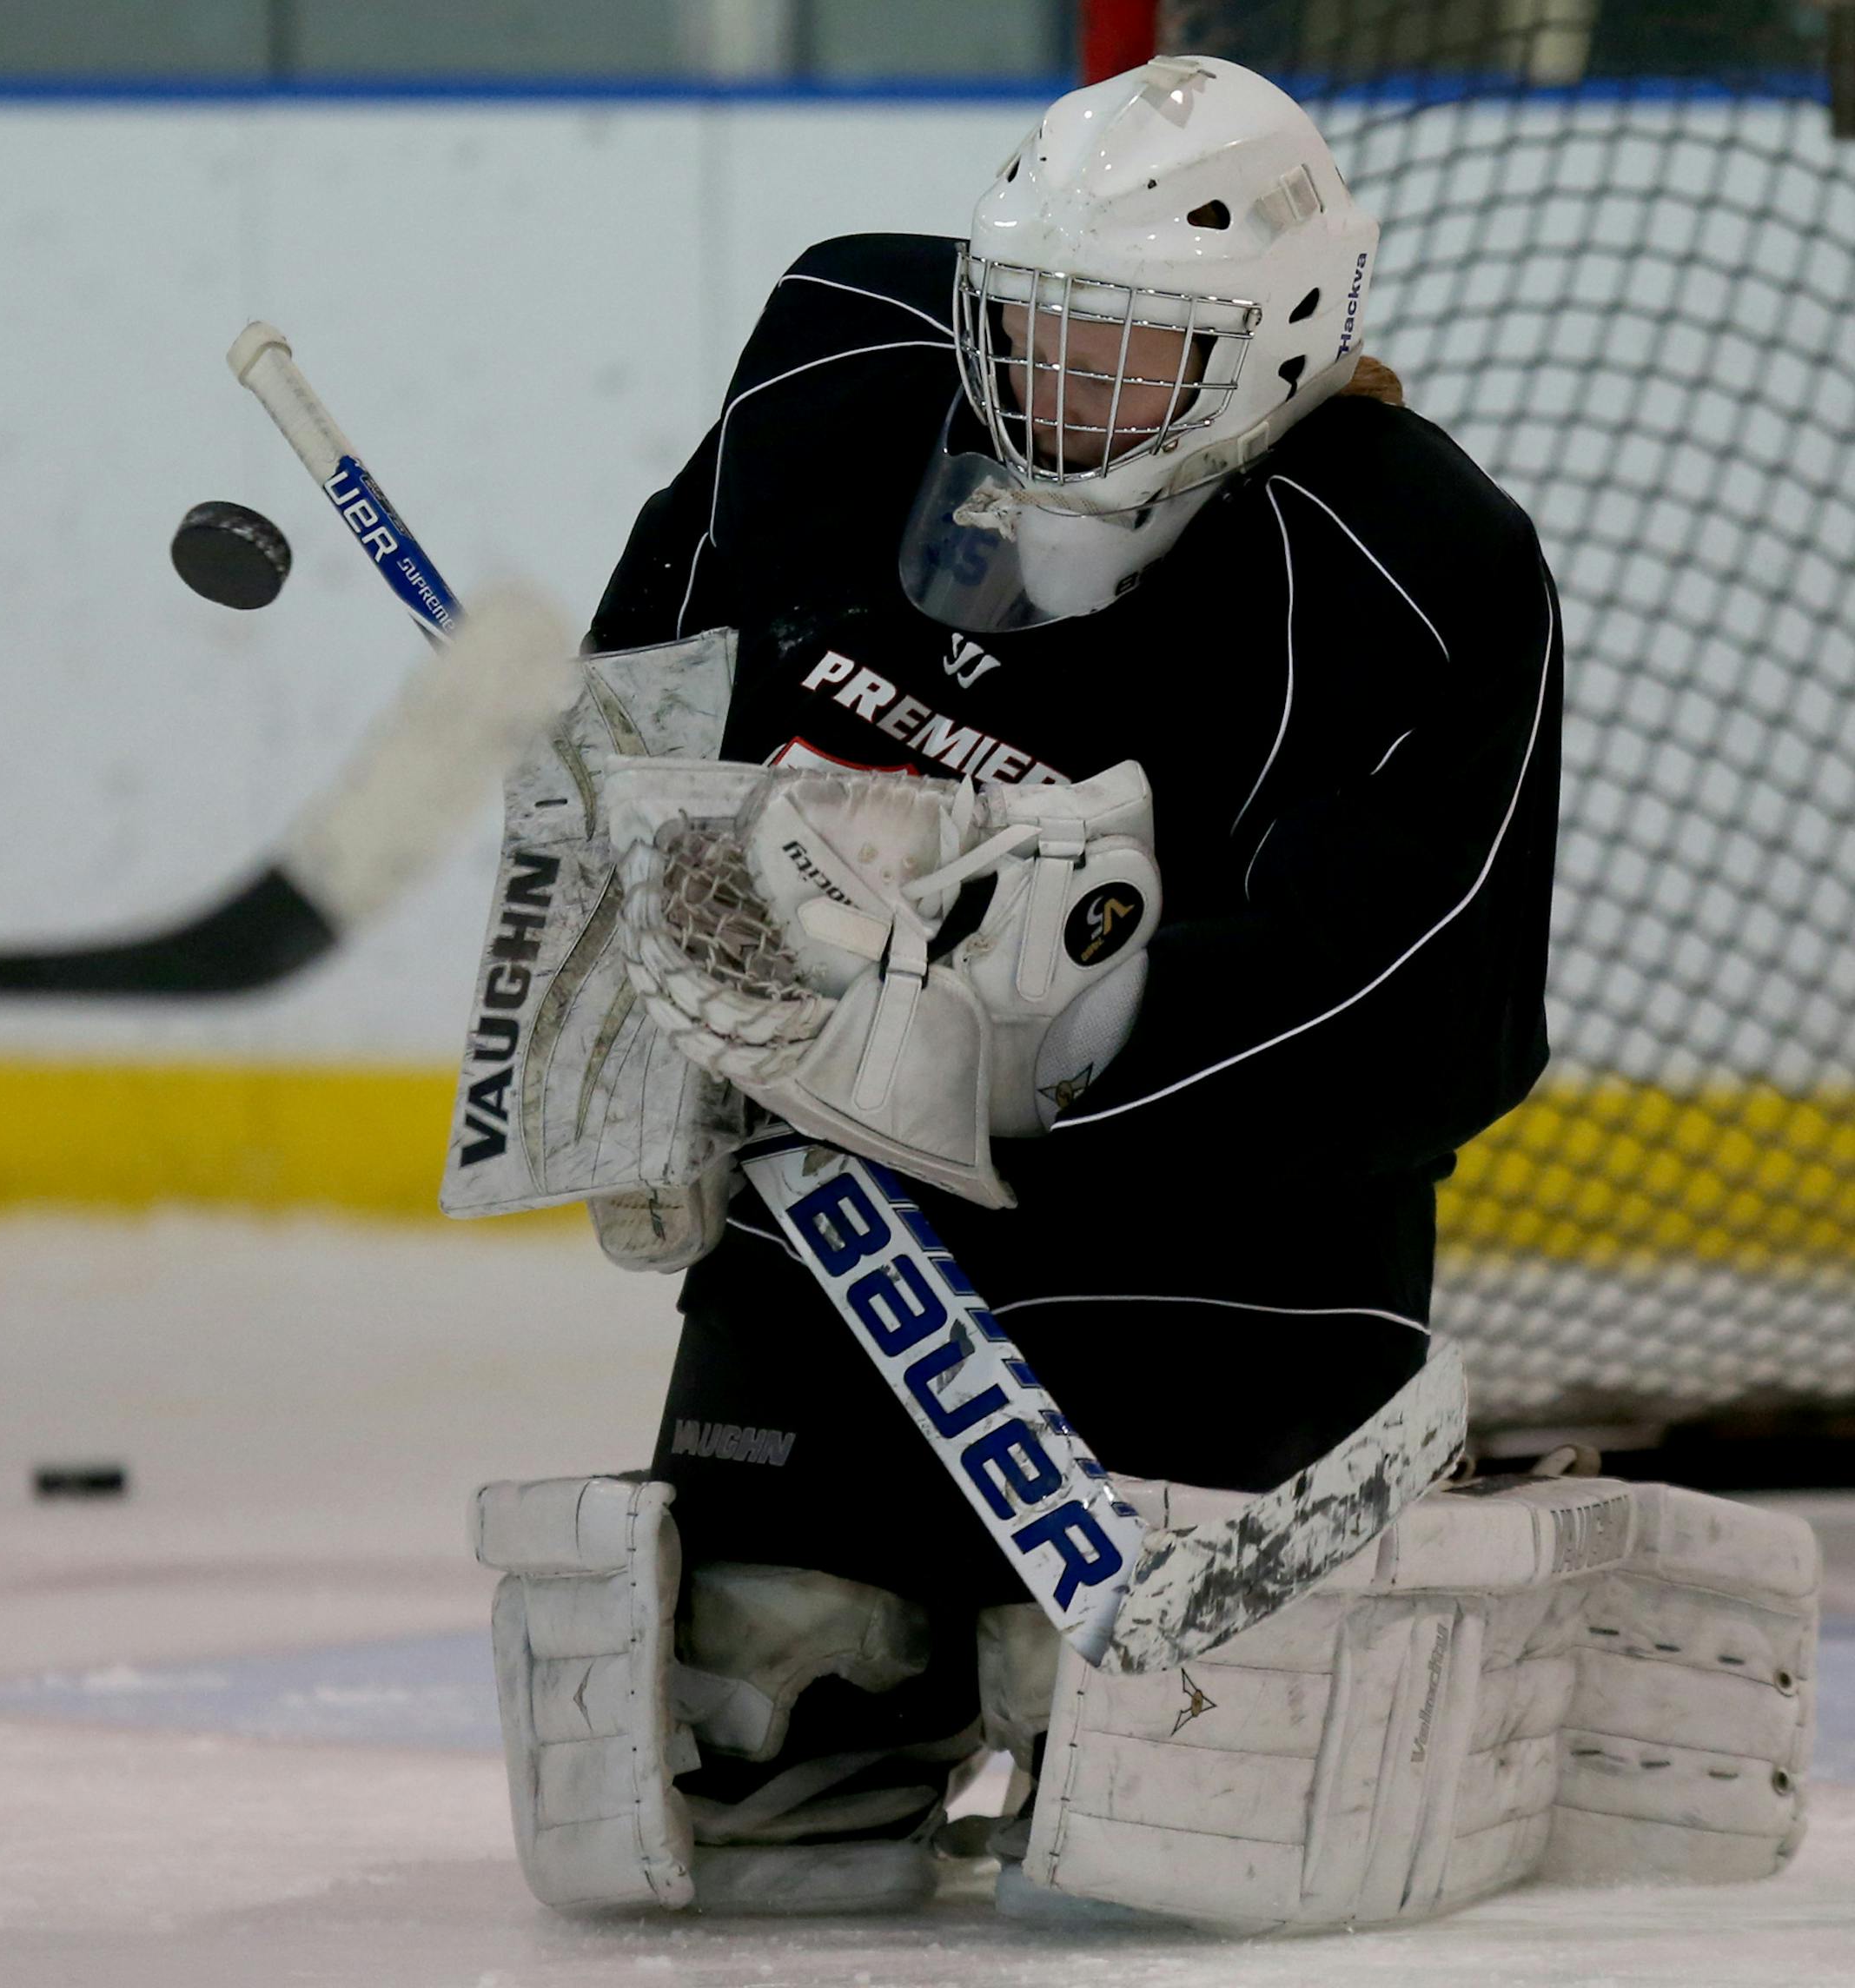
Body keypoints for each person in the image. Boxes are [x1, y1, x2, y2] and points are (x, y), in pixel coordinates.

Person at [580, 53, 1562, 1905]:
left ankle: (1080, 1655)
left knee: (1147, 1790)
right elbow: (647, 712)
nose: (1048, 390)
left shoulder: (1413, 564)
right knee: (752, 1710)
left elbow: (1434, 1008)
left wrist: (1041, 1059)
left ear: (1275, 341)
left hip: (1215, 1266)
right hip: (840, 1233)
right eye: (1023, 328)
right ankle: (872, 1660)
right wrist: (633, 1034)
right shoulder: (845, 366)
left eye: (1116, 349)